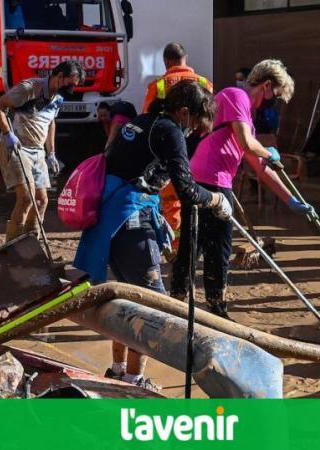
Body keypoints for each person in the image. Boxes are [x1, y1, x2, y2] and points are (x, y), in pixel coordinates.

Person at [74, 80, 231, 391]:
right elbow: (186, 189)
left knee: (121, 297)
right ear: (184, 112)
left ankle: (118, 370)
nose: (195, 132)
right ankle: (134, 381)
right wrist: (216, 200)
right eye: (196, 124)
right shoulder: (170, 131)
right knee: (152, 304)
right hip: (130, 218)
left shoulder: (141, 122)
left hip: (109, 218)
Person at [171, 59, 315, 319]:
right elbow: (248, 145)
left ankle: (200, 305)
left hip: (216, 180)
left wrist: (292, 200)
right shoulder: (236, 96)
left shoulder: (246, 114)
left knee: (207, 246)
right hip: (208, 180)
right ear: (267, 85)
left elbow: (260, 167)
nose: (275, 102)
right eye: (277, 96)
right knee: (204, 246)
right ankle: (194, 306)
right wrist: (268, 151)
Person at [0, 60, 83, 241]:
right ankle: (12, 246)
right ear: (58, 76)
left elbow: (50, 123)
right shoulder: (29, 89)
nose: (71, 89)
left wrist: (51, 154)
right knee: (26, 198)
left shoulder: (58, 98)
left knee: (41, 200)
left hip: (37, 150)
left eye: (75, 86)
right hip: (16, 147)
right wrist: (9, 134)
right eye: (70, 84)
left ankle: (31, 243)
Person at [141, 42, 214, 254]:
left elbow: (148, 117)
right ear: (186, 58)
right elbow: (211, 116)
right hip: (200, 150)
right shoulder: (204, 83)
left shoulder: (159, 85)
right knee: (199, 196)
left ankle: (174, 247)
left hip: (171, 147)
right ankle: (198, 245)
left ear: (166, 61)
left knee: (172, 198)